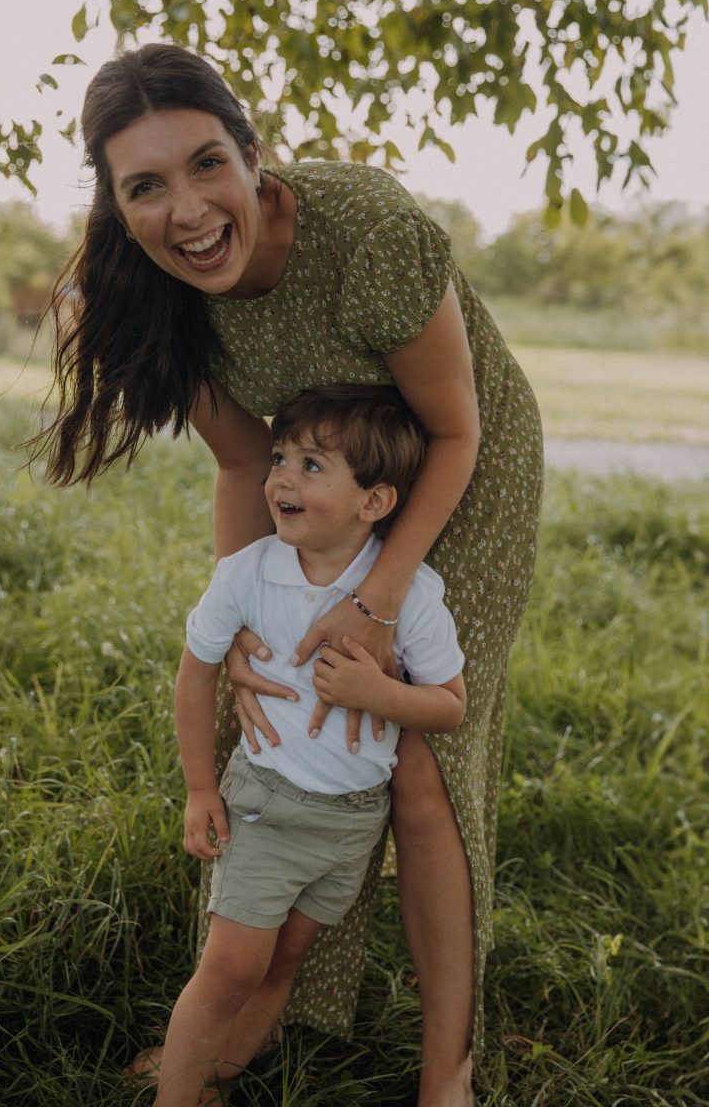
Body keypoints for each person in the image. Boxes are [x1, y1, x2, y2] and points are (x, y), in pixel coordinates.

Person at [33, 42, 544, 1107]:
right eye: (146, 186)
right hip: (312, 482)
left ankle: (446, 1066)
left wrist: (376, 596)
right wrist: (253, 625)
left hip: (459, 466)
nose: (188, 210)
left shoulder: (370, 233)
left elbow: (456, 430)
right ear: (116, 204)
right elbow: (237, 457)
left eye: (206, 164)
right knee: (275, 721)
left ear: (254, 153)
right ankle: (256, 1007)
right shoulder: (164, 291)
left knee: (413, 763)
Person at [159, 384, 466, 1106]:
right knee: (231, 967)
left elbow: (452, 708)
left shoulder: (410, 595)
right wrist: (202, 789)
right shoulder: (246, 573)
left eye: (312, 465)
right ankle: (177, 1095)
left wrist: (381, 696)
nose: (281, 479)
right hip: (266, 807)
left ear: (376, 501)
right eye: (279, 458)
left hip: (353, 821)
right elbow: (194, 676)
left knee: (285, 958)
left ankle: (218, 1075)